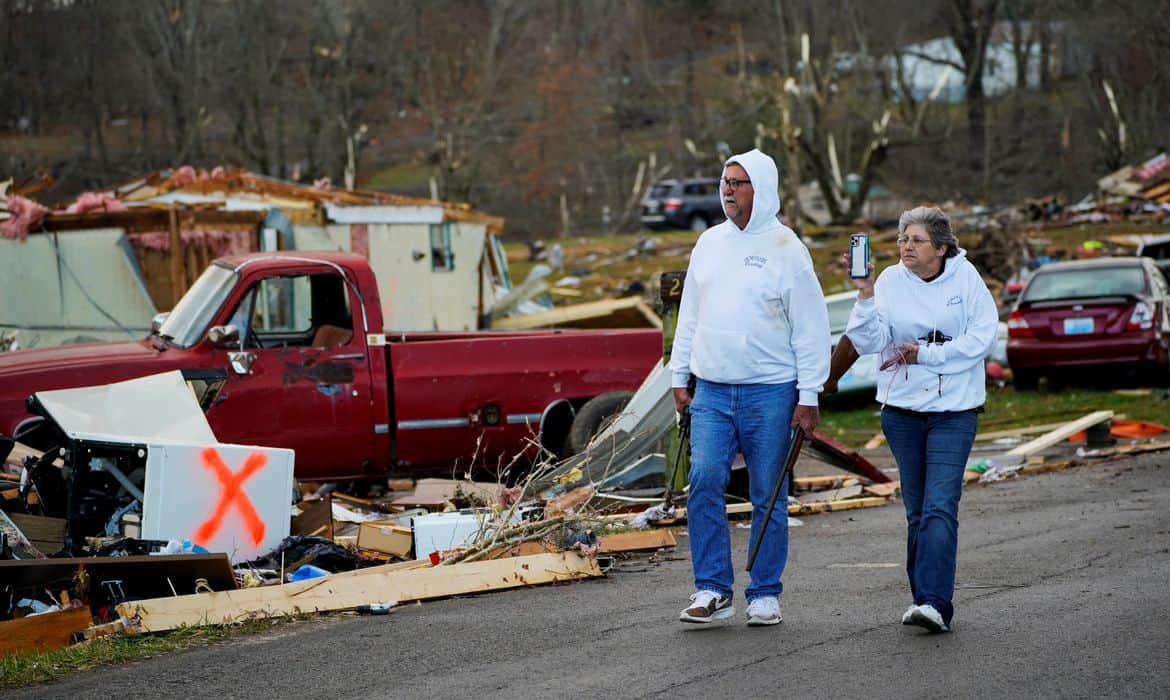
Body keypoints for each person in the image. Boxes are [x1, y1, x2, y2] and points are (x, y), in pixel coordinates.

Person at [670, 148, 830, 626]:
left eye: (738, 183)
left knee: (768, 493)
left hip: (771, 391)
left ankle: (764, 592)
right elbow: (689, 316)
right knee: (703, 481)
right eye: (725, 182)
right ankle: (713, 589)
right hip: (713, 391)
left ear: (761, 190)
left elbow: (811, 329)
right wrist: (680, 376)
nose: (728, 190)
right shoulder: (709, 243)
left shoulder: (787, 249)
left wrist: (809, 395)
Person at [842, 206, 998, 633]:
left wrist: (928, 354)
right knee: (917, 511)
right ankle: (922, 599)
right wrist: (864, 292)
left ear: (942, 248)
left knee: (940, 507)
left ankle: (935, 603)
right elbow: (869, 340)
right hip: (903, 413)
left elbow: (982, 337)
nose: (906, 246)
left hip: (955, 412)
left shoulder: (966, 279)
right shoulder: (890, 281)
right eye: (902, 239)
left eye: (916, 240)